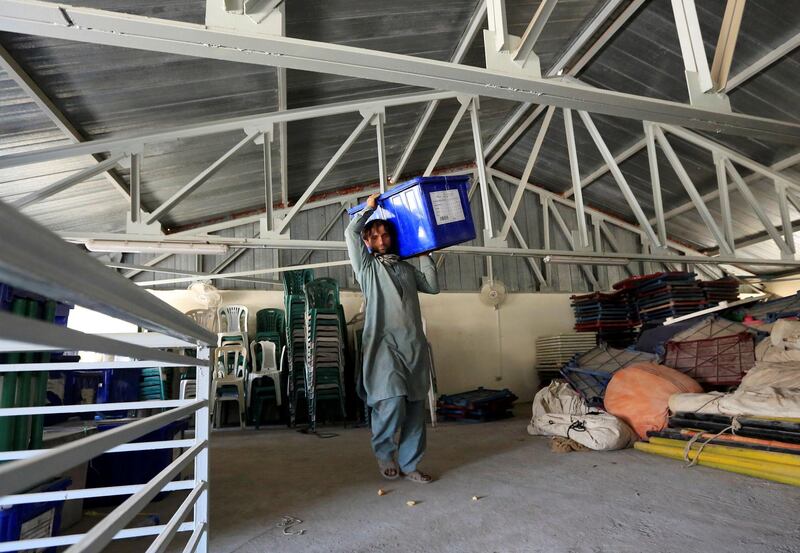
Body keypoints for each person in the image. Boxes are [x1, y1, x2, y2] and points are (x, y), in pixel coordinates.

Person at [345, 193, 439, 483]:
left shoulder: (407, 269)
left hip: (412, 345)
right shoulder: (367, 269)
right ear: (368, 242)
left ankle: (410, 464)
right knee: (392, 399)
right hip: (383, 345)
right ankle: (385, 453)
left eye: (385, 235)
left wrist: (424, 251)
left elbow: (433, 287)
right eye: (375, 236)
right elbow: (351, 232)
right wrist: (369, 211)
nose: (382, 240)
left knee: (414, 407)